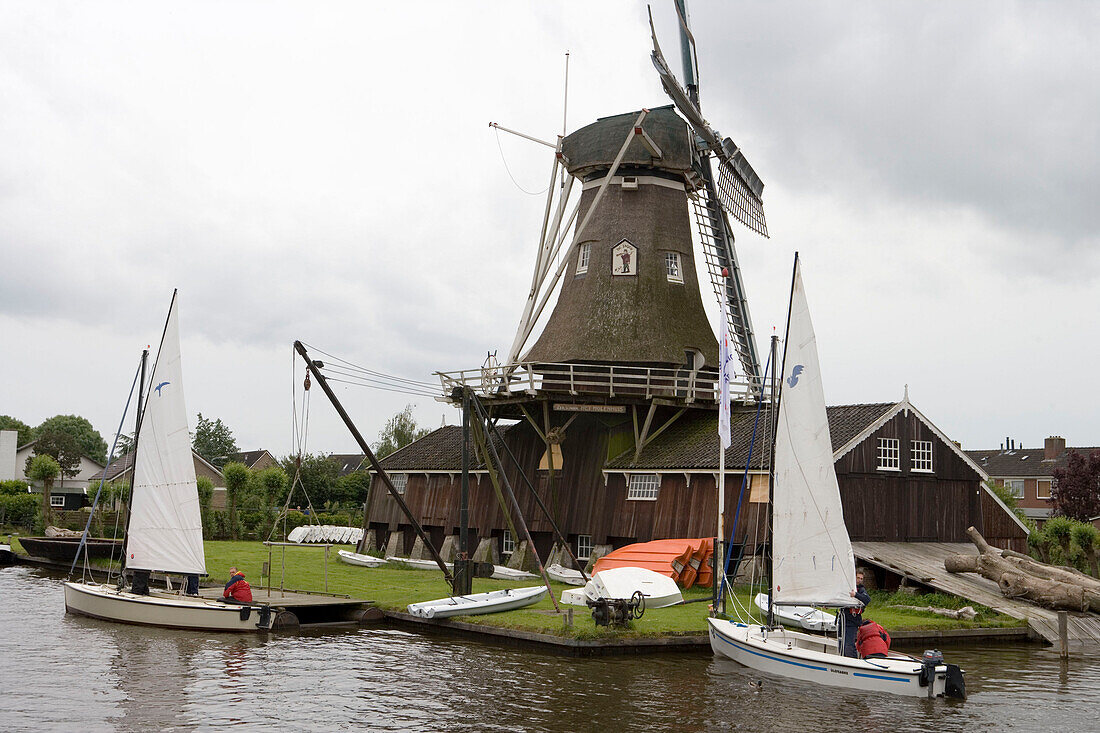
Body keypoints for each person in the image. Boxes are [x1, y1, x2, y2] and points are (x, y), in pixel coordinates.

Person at [840, 569, 871, 657]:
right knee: (841, 642)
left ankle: (852, 662)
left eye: (861, 578)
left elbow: (867, 600)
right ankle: (841, 659)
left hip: (852, 621)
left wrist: (855, 595)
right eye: (858, 578)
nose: (859, 580)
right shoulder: (846, 588)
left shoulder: (861, 590)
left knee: (849, 644)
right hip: (842, 619)